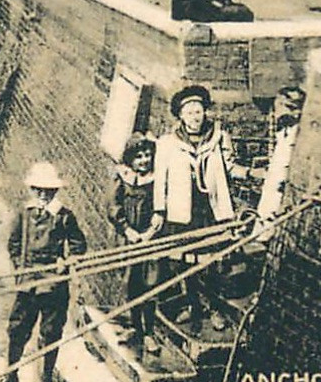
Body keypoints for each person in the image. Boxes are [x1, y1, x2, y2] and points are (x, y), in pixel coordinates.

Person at [152, 85, 252, 332]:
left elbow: (229, 168)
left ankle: (214, 308)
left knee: (212, 261)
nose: (195, 117)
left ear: (205, 113)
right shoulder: (167, 143)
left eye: (198, 112)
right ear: (180, 116)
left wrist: (251, 173)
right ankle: (193, 304)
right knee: (185, 261)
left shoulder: (219, 137)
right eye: (189, 113)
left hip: (210, 209)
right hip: (181, 210)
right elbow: (160, 181)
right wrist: (159, 211)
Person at [0, 161, 88, 382]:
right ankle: (10, 377)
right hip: (27, 284)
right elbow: (13, 244)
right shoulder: (24, 213)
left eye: (48, 190)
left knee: (49, 333)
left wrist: (65, 261)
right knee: (17, 330)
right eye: (39, 189)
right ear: (32, 189)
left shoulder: (64, 216)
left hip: (53, 286)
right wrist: (20, 269)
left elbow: (79, 245)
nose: (43, 194)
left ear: (55, 191)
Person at [112, 135, 162, 355]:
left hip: (151, 241)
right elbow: (113, 207)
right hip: (130, 240)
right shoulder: (123, 180)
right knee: (132, 284)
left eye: (147, 155)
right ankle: (135, 327)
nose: (143, 160)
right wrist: (127, 230)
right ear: (130, 160)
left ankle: (149, 332)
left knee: (150, 286)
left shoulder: (157, 180)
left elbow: (162, 210)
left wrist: (150, 233)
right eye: (138, 157)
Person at [256, 85, 306, 220]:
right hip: (273, 181)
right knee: (265, 210)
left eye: (282, 106)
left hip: (283, 184)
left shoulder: (297, 134)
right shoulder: (282, 132)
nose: (277, 112)